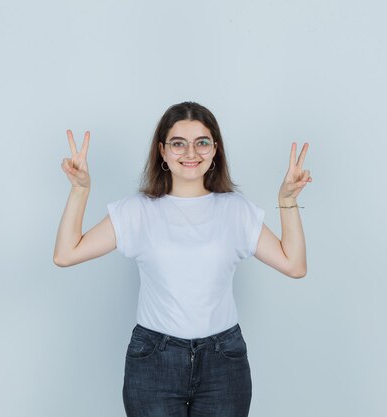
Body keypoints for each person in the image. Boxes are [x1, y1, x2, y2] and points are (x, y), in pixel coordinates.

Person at [53, 101, 312, 417]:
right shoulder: (138, 211)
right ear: (162, 151)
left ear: (215, 149)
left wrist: (286, 200)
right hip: (154, 361)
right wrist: (80, 190)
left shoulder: (235, 210)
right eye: (178, 144)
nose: (191, 153)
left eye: (201, 142)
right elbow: (66, 254)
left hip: (224, 362)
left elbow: (294, 265)